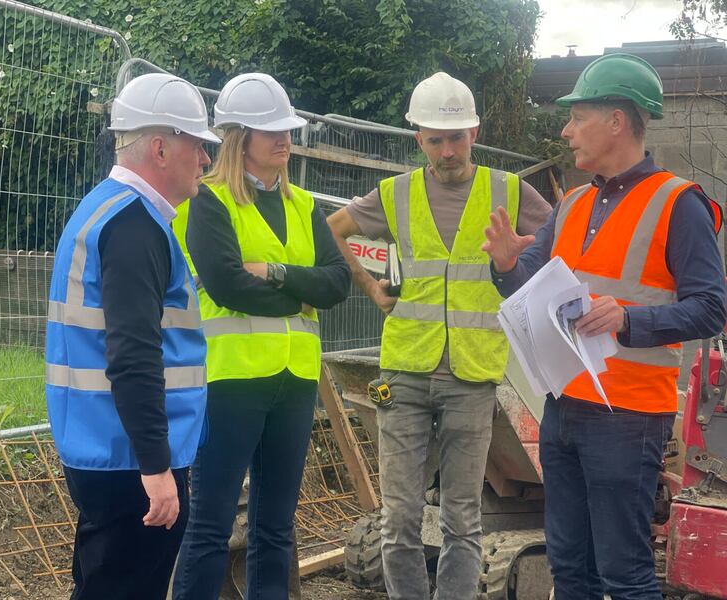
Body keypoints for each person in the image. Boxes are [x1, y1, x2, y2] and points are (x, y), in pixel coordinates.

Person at [482, 53, 727, 599]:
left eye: (578, 116)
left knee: (626, 574)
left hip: (630, 416)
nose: (566, 130)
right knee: (571, 569)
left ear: (617, 120)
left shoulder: (677, 204)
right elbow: (531, 283)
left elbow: (712, 308)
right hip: (564, 408)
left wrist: (629, 318)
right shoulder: (572, 205)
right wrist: (504, 266)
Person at [327, 72, 552, 599]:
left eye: (456, 137)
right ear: (418, 140)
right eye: (435, 139)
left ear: (474, 131)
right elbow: (332, 229)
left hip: (473, 377)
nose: (447, 150)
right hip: (399, 375)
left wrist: (524, 277)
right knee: (400, 516)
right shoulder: (396, 194)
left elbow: (562, 237)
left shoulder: (509, 190)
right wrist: (368, 287)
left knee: (461, 518)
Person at [171, 72, 350, 600]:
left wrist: (273, 273)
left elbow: (338, 284)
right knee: (210, 524)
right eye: (271, 130)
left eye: (287, 129)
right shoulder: (209, 202)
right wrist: (302, 289)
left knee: (277, 528)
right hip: (230, 381)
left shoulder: (303, 204)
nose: (284, 139)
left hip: (294, 382)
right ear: (238, 137)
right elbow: (228, 286)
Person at [45, 73, 219, 600]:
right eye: (199, 145)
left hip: (103, 449)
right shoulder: (135, 227)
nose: (206, 160)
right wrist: (157, 466)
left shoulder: (104, 209)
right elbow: (134, 355)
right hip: (130, 462)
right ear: (162, 147)